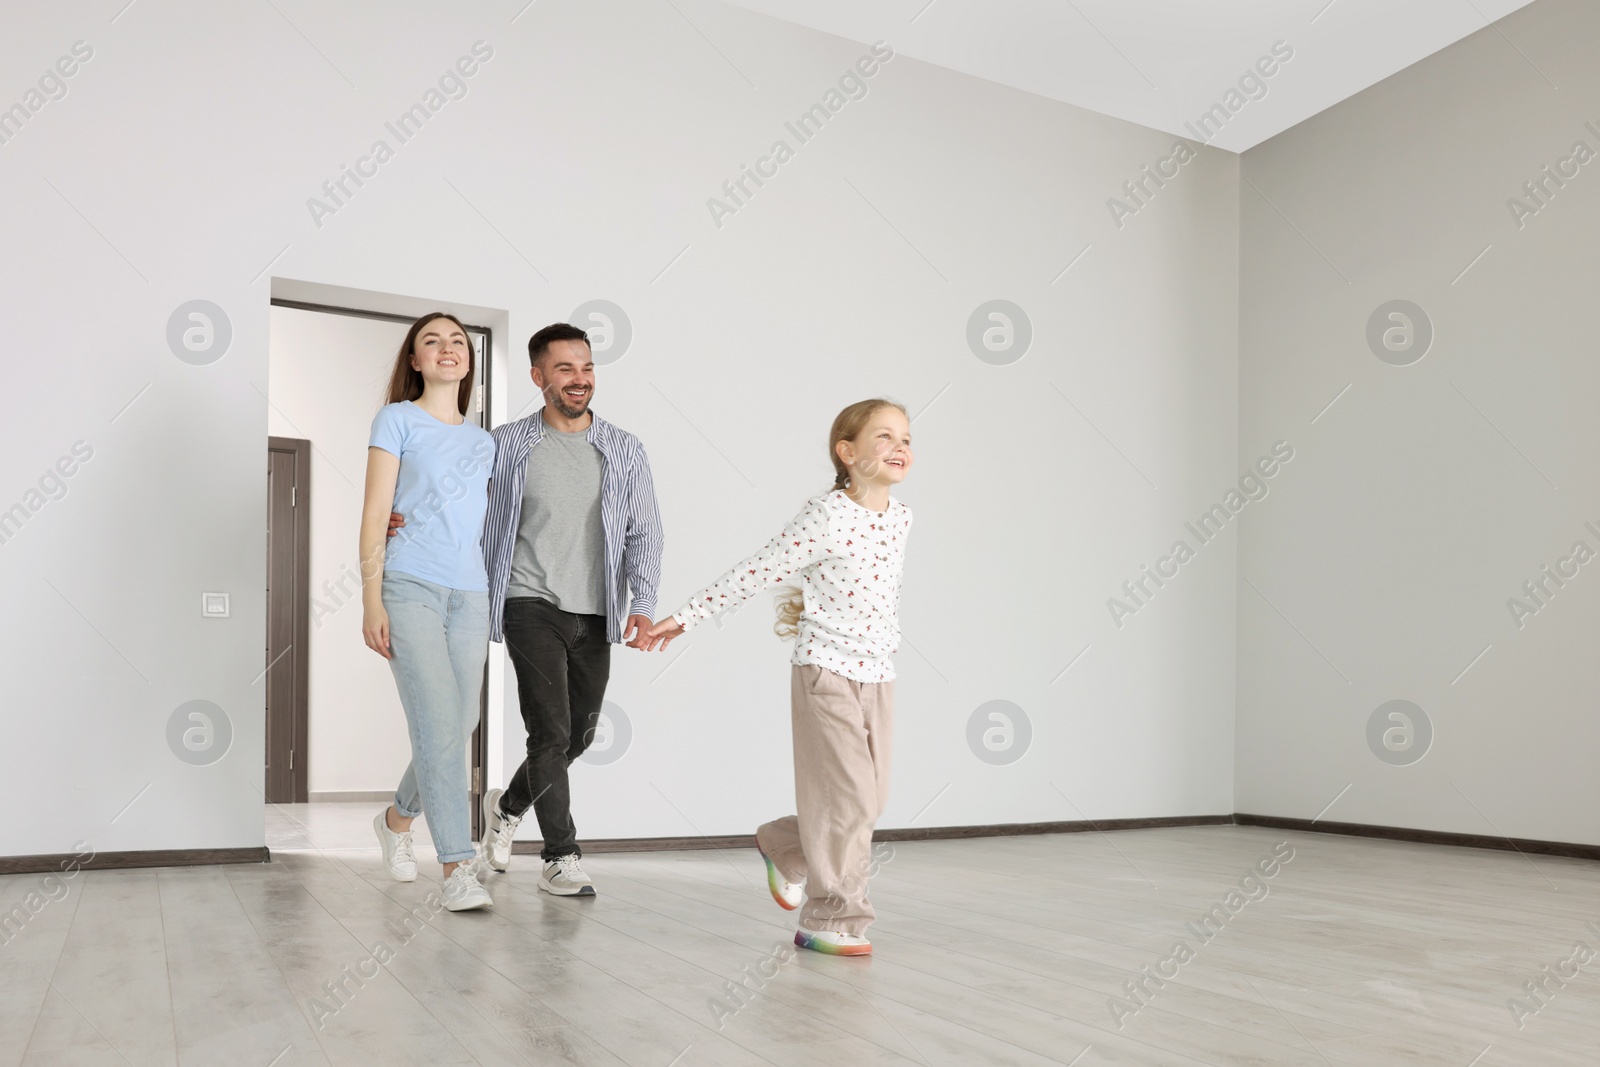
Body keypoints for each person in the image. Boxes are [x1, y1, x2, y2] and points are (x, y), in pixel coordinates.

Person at [645, 399, 914, 955]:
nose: (900, 447)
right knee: (851, 802)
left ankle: (784, 844)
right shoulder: (826, 514)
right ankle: (832, 920)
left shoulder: (902, 516)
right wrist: (685, 617)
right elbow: (757, 569)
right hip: (827, 673)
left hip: (879, 674)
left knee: (871, 800)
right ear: (848, 451)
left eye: (906, 438)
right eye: (884, 437)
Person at [472, 322, 664, 896]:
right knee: (549, 732)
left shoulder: (625, 449)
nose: (579, 380)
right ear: (539, 377)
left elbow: (645, 531)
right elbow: (462, 507)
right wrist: (400, 518)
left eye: (586, 368)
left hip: (598, 610)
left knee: (578, 735)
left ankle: (505, 808)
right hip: (527, 601)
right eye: (564, 369)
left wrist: (645, 602)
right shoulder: (505, 444)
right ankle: (561, 855)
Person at [360, 312, 496, 912]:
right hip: (409, 585)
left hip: (471, 593)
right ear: (414, 360)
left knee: (456, 723)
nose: (447, 349)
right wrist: (369, 597)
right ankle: (457, 866)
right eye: (431, 342)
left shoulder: (484, 441)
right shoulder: (396, 419)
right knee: (441, 725)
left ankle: (395, 820)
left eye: (458, 342)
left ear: (468, 361)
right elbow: (374, 510)